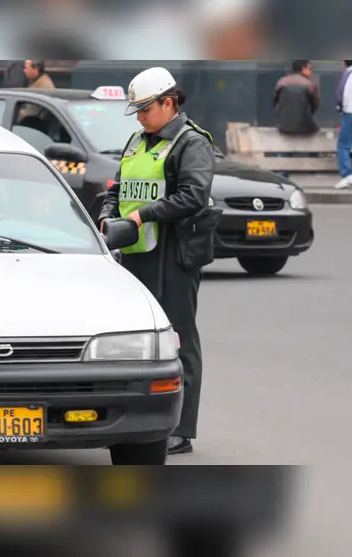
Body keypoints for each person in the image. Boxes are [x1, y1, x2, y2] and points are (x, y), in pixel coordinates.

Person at [98, 67, 218, 456]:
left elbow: (193, 195)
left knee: (179, 339)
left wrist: (142, 215)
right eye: (136, 111)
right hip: (134, 254)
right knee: (135, 340)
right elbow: (117, 186)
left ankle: (181, 429)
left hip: (174, 254)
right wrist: (108, 211)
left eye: (145, 109)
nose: (140, 117)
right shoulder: (137, 139)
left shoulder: (190, 143)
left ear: (169, 102)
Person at [273, 60, 320, 135]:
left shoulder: (281, 82)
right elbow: (315, 105)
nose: (311, 72)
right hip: (305, 128)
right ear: (303, 69)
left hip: (283, 127)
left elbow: (276, 102)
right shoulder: (310, 84)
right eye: (309, 69)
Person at [335, 60, 352, 189]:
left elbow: (342, 94)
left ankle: (348, 175)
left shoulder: (349, 74)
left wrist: (341, 108)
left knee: (343, 145)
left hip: (351, 113)